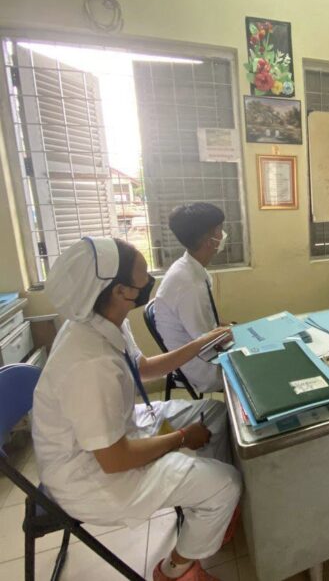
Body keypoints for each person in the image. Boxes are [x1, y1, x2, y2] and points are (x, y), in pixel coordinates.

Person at [32, 237, 242, 581]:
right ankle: (175, 569)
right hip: (92, 477)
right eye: (143, 273)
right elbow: (115, 459)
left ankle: (205, 512)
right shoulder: (89, 363)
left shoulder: (102, 319)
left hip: (118, 433)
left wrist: (202, 341)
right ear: (119, 291)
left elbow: (142, 368)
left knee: (215, 414)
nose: (149, 280)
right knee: (227, 484)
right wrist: (181, 437)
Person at [154, 203, 228, 393]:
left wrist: (228, 329)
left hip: (200, 352)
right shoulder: (189, 285)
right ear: (210, 241)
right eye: (220, 230)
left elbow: (207, 326)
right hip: (203, 367)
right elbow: (207, 344)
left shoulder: (189, 267)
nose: (223, 235)